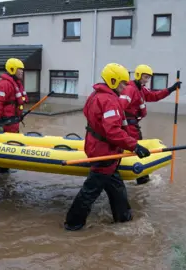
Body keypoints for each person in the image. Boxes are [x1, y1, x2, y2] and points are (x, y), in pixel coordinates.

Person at [64, 63, 152, 231]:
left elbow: (90, 116)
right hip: (104, 152)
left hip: (101, 148)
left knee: (116, 188)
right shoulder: (109, 100)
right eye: (122, 83)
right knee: (90, 191)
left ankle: (124, 219)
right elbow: (112, 131)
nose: (126, 86)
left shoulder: (96, 95)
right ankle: (73, 224)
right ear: (113, 81)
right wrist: (135, 146)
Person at [119, 64, 182, 185]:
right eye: (145, 77)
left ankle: (142, 179)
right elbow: (120, 108)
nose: (147, 80)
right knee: (138, 150)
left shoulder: (141, 89)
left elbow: (154, 96)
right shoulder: (130, 89)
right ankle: (142, 180)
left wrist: (171, 89)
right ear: (138, 75)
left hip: (133, 125)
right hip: (129, 126)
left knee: (137, 149)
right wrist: (123, 127)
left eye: (148, 78)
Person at [0, 58, 28, 181]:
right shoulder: (4, 85)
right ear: (12, 69)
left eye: (22, 70)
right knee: (0, 149)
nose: (22, 72)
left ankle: (4, 170)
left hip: (14, 122)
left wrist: (20, 114)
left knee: (11, 147)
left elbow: (18, 102)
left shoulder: (17, 84)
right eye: (20, 69)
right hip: (4, 123)